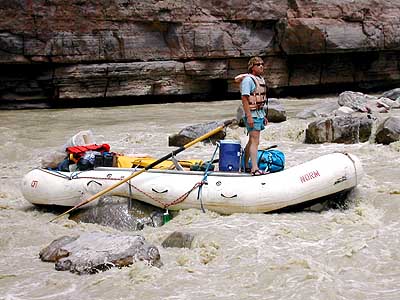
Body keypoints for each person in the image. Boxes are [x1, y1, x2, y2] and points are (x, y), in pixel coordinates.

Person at [240, 56, 268, 176]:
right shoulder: (248, 80)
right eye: (258, 64)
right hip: (252, 115)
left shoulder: (260, 79)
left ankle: (245, 165)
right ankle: (254, 169)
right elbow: (245, 98)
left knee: (252, 141)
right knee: (255, 141)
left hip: (259, 114)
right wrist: (249, 116)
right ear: (252, 67)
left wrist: (264, 116)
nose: (261, 66)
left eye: (262, 64)